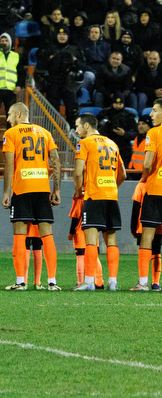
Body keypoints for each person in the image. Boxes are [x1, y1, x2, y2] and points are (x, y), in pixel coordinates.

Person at [0, 103, 61, 292]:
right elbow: (56, 161)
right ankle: (52, 282)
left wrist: (6, 192)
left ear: (18, 114)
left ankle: (20, 282)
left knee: (19, 234)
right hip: (42, 188)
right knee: (47, 234)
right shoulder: (45, 133)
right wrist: (56, 189)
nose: (8, 119)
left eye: (9, 115)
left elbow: (9, 164)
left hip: (22, 188)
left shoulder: (11, 134)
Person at [74, 113, 123, 292]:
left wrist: (79, 192)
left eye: (78, 126)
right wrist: (112, 187)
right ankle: (113, 282)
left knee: (91, 241)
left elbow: (78, 172)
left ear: (87, 126)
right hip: (111, 196)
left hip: (93, 195)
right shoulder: (112, 143)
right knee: (111, 240)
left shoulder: (84, 143)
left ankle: (88, 282)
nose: (76, 129)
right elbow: (123, 174)